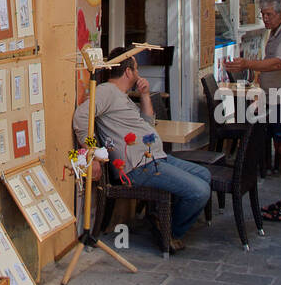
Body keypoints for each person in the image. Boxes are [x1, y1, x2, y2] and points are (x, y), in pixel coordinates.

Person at [72, 54, 211, 253]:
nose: (139, 73)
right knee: (200, 191)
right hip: (139, 166)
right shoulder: (107, 92)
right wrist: (92, 154)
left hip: (155, 158)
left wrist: (145, 95)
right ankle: (169, 231)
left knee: (205, 176)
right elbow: (81, 118)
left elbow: (147, 125)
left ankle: (162, 218)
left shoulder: (122, 96)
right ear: (128, 71)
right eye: (136, 69)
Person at [226, 0, 281, 223]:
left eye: (269, 14)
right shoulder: (277, 31)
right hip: (276, 99)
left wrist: (247, 63)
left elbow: (278, 63)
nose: (265, 18)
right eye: (263, 14)